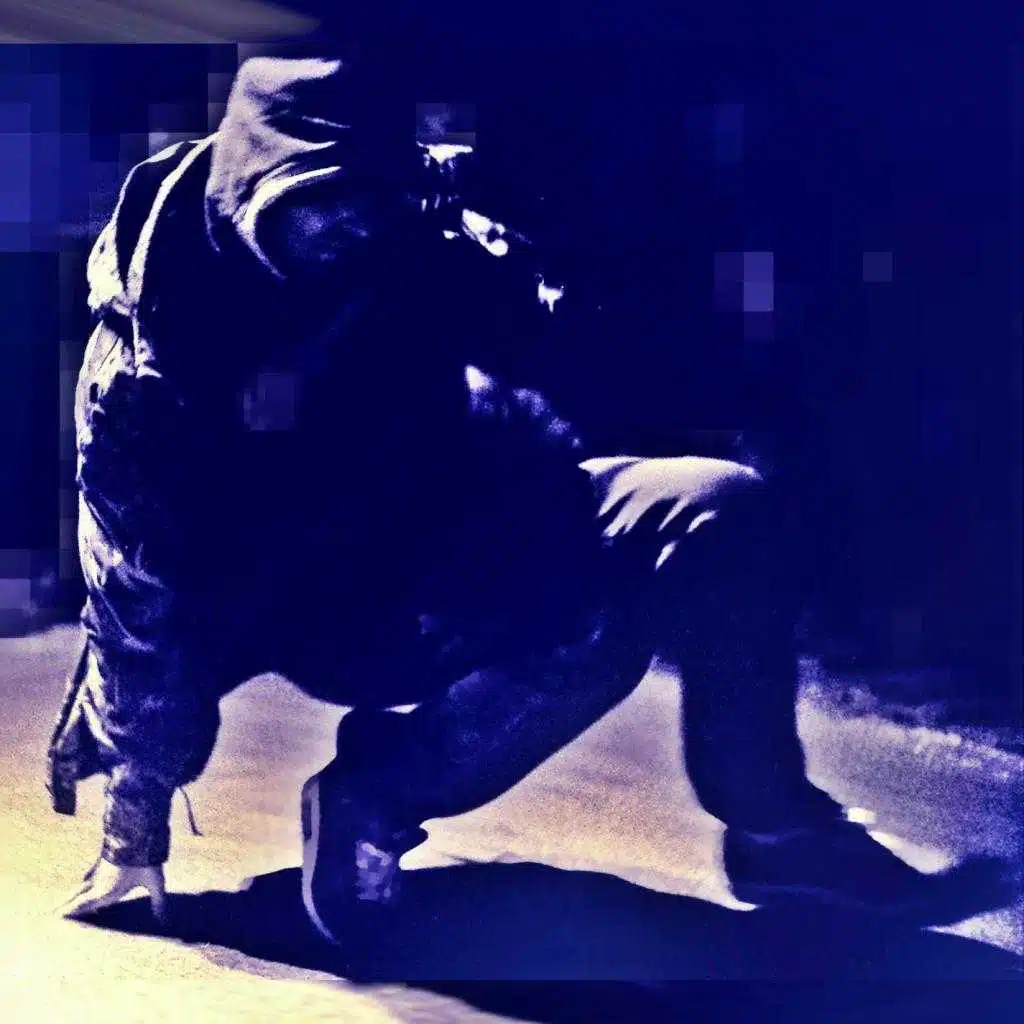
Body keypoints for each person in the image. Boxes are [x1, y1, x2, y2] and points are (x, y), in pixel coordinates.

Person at [48, 42, 959, 950]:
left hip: (450, 511)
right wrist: (135, 830)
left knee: (723, 511)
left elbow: (557, 329)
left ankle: (774, 830)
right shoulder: (148, 363)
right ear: (244, 187)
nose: (345, 230)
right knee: (591, 627)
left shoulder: (399, 221)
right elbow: (135, 595)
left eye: (365, 199)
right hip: (303, 599)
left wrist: (549, 261)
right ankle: (377, 795)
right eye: (313, 205)